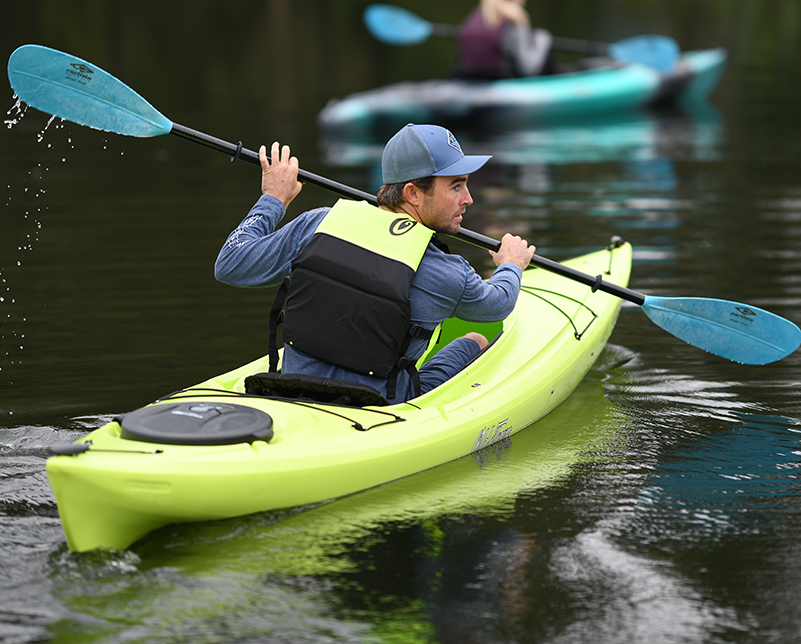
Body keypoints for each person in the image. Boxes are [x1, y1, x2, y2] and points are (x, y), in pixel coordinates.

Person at [214, 124, 535, 404]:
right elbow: (498, 306)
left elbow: (230, 263)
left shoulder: (317, 224)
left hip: (293, 389)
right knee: (476, 339)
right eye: (456, 186)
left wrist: (274, 199)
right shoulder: (448, 273)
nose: (468, 199)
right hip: (380, 407)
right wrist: (511, 264)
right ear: (413, 193)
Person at [456, 0, 556, 79]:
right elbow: (528, 68)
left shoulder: (474, 17)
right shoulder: (514, 20)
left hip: (469, 80)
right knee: (542, 37)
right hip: (498, 83)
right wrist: (543, 39)